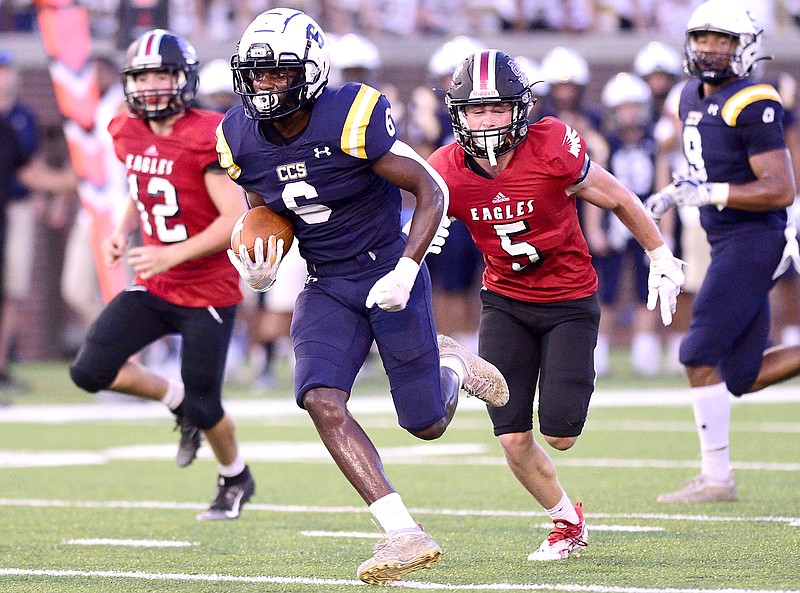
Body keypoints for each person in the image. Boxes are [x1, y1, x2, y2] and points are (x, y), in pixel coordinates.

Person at [218, 8, 509, 585]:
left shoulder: (350, 113)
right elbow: (264, 203)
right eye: (257, 74)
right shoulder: (238, 134)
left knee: (424, 423)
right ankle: (402, 532)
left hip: (386, 272)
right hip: (326, 280)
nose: (265, 86)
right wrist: (258, 253)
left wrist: (407, 266)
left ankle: (450, 362)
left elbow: (432, 187)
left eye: (278, 73)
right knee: (320, 398)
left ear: (311, 70)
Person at [427, 49, 684, 560]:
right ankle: (565, 521)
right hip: (504, 300)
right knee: (512, 437)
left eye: (497, 108)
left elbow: (617, 197)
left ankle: (463, 362)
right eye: (475, 110)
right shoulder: (446, 168)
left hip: (569, 299)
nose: (486, 119)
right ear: (457, 112)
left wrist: (660, 253)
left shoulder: (550, 145)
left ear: (520, 108)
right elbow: (409, 222)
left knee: (561, 434)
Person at [68, 29, 255, 520]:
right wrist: (122, 230)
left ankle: (236, 477)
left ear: (182, 79)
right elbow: (144, 184)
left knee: (207, 406)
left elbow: (233, 218)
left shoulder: (206, 133)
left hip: (207, 289)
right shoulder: (126, 129)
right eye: (142, 76)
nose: (150, 86)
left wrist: (169, 255)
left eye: (160, 75)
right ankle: (173, 401)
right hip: (156, 283)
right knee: (90, 370)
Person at [644, 0, 800, 503]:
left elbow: (780, 188)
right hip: (724, 236)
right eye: (703, 39)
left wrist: (708, 194)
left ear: (746, 47)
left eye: (723, 40)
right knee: (740, 374)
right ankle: (717, 477)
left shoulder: (753, 100)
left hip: (756, 237)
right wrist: (674, 193)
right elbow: (703, 166)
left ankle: (717, 479)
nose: (710, 49)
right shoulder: (690, 94)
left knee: (696, 352)